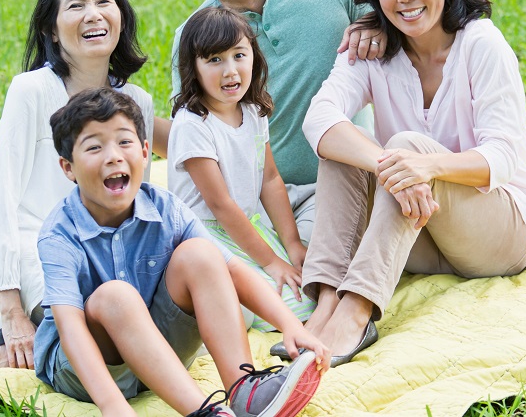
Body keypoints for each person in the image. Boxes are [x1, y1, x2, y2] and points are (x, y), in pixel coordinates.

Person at [283, 0, 526, 366]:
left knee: (406, 145)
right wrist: (391, 167)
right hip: (422, 233)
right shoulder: (371, 49)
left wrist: (425, 166)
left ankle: (357, 313)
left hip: (502, 233)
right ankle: (327, 302)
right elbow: (320, 118)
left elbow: (504, 156)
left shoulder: (481, 45)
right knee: (342, 148)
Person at [33, 87, 329, 417]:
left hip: (164, 353)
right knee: (116, 296)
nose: (113, 155)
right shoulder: (59, 233)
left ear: (146, 152)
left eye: (124, 142)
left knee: (201, 254)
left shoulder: (167, 209)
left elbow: (232, 271)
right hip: (89, 370)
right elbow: (71, 328)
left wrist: (291, 325)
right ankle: (204, 413)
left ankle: (244, 391)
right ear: (68, 167)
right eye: (94, 147)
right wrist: (113, 406)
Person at [0, 0, 157, 380]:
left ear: (120, 17)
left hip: (109, 257)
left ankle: (30, 347)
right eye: (76, 6)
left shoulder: (137, 101)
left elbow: (134, 201)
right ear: (51, 30)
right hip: (42, 249)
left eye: (103, 2)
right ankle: (33, 335)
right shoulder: (32, 91)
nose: (93, 14)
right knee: (95, 320)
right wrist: (10, 311)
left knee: (142, 319)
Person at [168, 0, 383, 244]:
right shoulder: (192, 41)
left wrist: (373, 23)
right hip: (260, 206)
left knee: (307, 268)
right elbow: (195, 133)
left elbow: (393, 24)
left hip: (348, 180)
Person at [168, 7, 316, 332]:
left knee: (307, 290)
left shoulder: (252, 110)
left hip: (248, 225)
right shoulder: (193, 125)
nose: (230, 70)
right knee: (270, 306)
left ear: (254, 55)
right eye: (215, 60)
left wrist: (290, 244)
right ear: (192, 67)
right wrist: (271, 262)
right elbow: (221, 206)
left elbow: (271, 179)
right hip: (206, 236)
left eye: (239, 55)